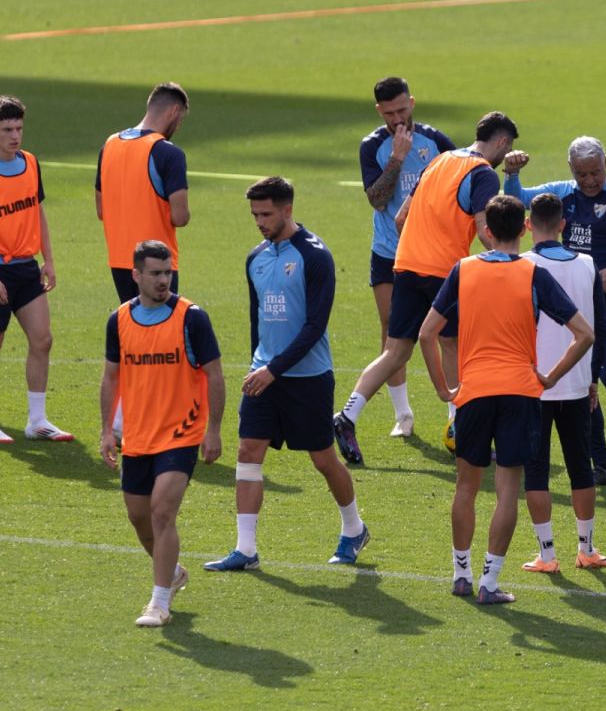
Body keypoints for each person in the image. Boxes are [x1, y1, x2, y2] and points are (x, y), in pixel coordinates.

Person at [422, 195, 594, 605]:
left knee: (466, 486)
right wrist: (550, 377)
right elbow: (584, 334)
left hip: (474, 391)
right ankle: (490, 582)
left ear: (486, 231)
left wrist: (444, 388)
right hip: (520, 391)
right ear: (523, 229)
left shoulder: (463, 270)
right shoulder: (534, 273)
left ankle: (460, 574)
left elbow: (428, 333)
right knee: (506, 491)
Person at [338, 111, 520, 464]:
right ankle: (461, 430)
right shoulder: (482, 174)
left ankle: (347, 415)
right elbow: (486, 233)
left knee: (395, 351)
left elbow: (400, 217)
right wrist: (509, 259)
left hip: (406, 264)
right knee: (452, 345)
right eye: (507, 147)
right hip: (444, 272)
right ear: (501, 142)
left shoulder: (438, 162)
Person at [206, 178, 369, 573]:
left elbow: (315, 326)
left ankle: (354, 528)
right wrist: (257, 365)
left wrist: (273, 370)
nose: (259, 222)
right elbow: (256, 319)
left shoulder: (315, 257)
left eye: (266, 214)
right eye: (254, 215)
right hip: (263, 375)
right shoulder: (255, 258)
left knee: (323, 459)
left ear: (287, 210)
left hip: (308, 378)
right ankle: (246, 549)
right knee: (248, 452)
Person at [503, 136, 606, 492]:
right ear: (571, 170)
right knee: (580, 381)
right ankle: (603, 464)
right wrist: (512, 174)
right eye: (582, 174)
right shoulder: (563, 191)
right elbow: (519, 202)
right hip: (575, 297)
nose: (590, 181)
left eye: (595, 172)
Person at [99, 241, 224, 627]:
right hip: (137, 435)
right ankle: (171, 573)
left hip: (181, 433)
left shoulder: (192, 318)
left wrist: (213, 430)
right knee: (139, 518)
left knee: (161, 512)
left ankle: (158, 603)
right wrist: (106, 430)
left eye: (167, 272)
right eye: (154, 273)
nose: (163, 280)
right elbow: (111, 376)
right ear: (135, 275)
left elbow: (215, 375)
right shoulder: (119, 320)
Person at [0, 96, 69, 445]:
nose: (15, 135)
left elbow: (37, 213)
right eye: (7, 129)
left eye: (19, 128)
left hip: (26, 269)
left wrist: (48, 259)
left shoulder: (31, 163)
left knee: (43, 339)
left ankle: (37, 420)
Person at [357, 76, 457, 438]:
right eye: (389, 113)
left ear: (411, 102)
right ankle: (403, 416)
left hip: (434, 254)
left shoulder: (438, 142)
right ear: (378, 111)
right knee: (391, 333)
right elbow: (378, 199)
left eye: (402, 109)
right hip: (389, 252)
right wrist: (397, 159)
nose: (397, 119)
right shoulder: (373, 147)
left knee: (447, 335)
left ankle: (455, 416)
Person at [519, 193, 606, 574]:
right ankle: (586, 548)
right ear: (563, 225)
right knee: (580, 466)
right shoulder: (588, 264)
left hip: (533, 384)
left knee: (536, 470)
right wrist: (592, 379)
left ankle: (547, 554)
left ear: (527, 226)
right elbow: (598, 329)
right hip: (575, 381)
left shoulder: (520, 266)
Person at [97, 82, 190, 303]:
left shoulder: (109, 144)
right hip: (158, 264)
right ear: (174, 111)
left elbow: (102, 210)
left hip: (119, 260)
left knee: (133, 327)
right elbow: (180, 216)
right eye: (181, 120)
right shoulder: (169, 152)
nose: (178, 126)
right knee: (160, 329)